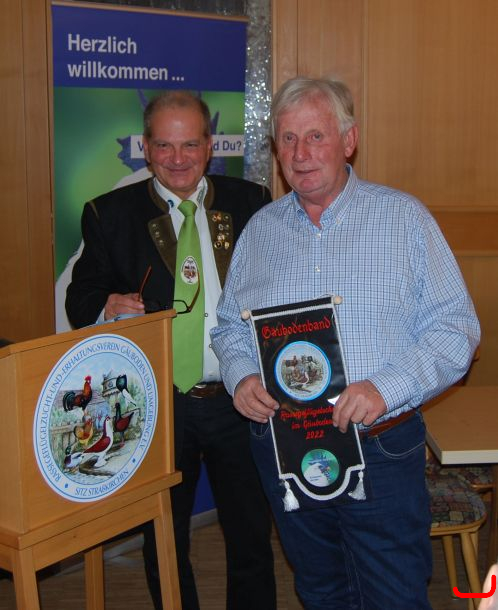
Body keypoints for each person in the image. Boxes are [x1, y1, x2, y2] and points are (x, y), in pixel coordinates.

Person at [211, 76, 481, 609]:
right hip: (287, 447)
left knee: (395, 596)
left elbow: (457, 329)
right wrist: (241, 376)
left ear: (349, 140)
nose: (300, 154)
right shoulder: (260, 231)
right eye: (288, 139)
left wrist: (384, 388)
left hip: (380, 446)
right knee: (320, 591)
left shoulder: (404, 219)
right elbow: (229, 328)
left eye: (316, 136)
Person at [65, 90, 276, 610]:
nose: (177, 159)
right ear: (145, 146)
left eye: (190, 145)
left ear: (209, 145)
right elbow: (80, 297)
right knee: (164, 538)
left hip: (240, 397)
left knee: (251, 534)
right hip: (158, 404)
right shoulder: (108, 213)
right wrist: (106, 304)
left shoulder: (252, 202)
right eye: (164, 145)